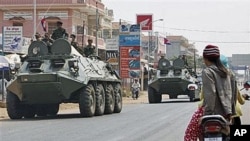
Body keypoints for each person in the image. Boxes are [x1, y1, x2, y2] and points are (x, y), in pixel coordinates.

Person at [184, 45, 232, 141]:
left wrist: (206, 115)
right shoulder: (226, 73)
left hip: (211, 111)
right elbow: (230, 94)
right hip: (226, 112)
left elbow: (210, 94)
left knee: (189, 135)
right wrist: (229, 113)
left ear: (205, 58)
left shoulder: (207, 72)